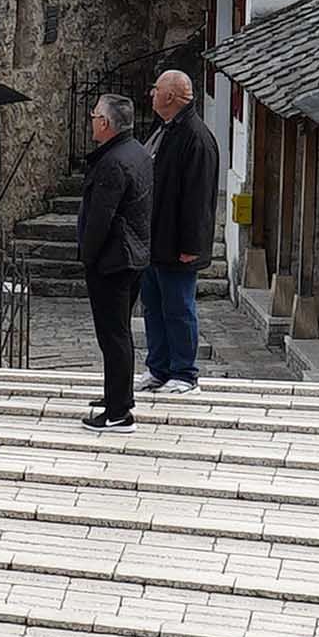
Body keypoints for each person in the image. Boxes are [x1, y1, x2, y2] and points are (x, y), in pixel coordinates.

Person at [138, 68, 221, 396]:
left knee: (178, 308)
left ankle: (185, 373)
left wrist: (191, 245)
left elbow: (199, 198)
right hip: (154, 241)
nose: (151, 94)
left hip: (177, 244)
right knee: (153, 307)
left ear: (170, 96)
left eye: (156, 88)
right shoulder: (165, 130)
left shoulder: (195, 138)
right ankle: (158, 368)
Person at [75, 91, 153, 431]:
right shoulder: (137, 151)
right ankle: (116, 395)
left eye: (94, 116)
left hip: (113, 259)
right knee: (117, 332)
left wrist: (88, 256)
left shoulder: (112, 162)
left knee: (114, 334)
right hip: (133, 255)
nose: (92, 120)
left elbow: (100, 218)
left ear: (105, 123)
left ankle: (119, 412)